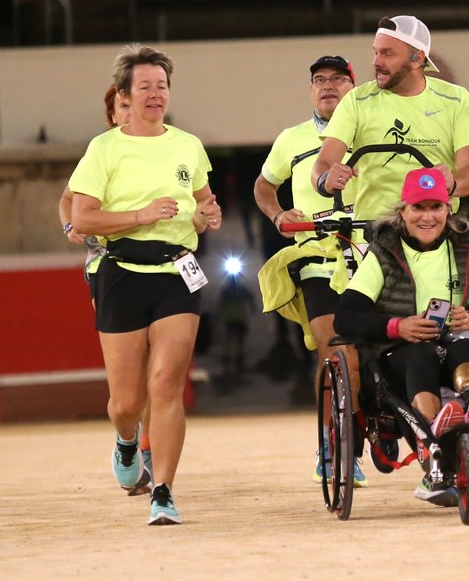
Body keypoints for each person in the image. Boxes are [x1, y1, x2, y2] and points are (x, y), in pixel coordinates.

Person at [68, 45, 223, 525]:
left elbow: (203, 206)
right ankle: (127, 439)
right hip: (120, 273)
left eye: (162, 86)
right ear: (125, 96)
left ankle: (164, 491)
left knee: (166, 384)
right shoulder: (105, 148)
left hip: (178, 272)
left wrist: (208, 215)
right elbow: (81, 216)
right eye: (146, 87)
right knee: (128, 402)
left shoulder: (188, 145)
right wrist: (140, 215)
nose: (156, 95)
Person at [334, 168, 469, 506]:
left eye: (436, 207)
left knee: (465, 344)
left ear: (448, 210)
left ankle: (467, 406)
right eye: (419, 208)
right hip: (402, 353)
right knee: (421, 354)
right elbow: (346, 317)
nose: (428, 216)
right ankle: (436, 436)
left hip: (460, 348)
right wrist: (398, 327)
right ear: (402, 212)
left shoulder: (467, 249)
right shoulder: (382, 254)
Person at [252, 55, 370, 487]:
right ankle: (335, 447)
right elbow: (264, 186)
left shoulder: (372, 127)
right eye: (319, 80)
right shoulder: (291, 139)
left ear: (353, 88)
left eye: (338, 80)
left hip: (376, 254)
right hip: (317, 258)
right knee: (338, 353)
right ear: (310, 90)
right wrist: (279, 215)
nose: (328, 87)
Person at [58, 85, 159, 497]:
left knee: (159, 368)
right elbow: (68, 199)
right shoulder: (101, 151)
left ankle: (149, 449)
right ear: (114, 114)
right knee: (132, 372)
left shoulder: (163, 149)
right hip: (107, 264)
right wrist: (71, 226)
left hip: (161, 266)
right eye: (121, 106)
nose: (129, 111)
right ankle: (129, 437)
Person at [311, 15, 469, 221]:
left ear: (418, 59)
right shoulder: (356, 100)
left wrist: (453, 183)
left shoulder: (456, 98)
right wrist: (324, 180)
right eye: (375, 52)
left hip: (435, 226)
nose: (376, 61)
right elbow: (323, 163)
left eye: (387, 54)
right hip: (373, 231)